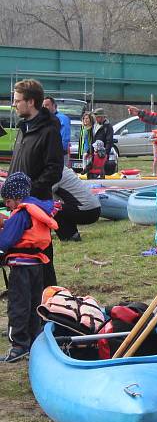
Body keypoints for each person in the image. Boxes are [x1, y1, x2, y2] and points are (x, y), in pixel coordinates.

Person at [9, 79, 63, 288]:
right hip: (18, 206)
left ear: (31, 102)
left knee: (42, 257)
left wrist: (27, 192)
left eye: (17, 101)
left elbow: (54, 170)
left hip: (36, 205)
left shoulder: (49, 131)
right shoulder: (24, 129)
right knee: (20, 254)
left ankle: (49, 302)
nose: (14, 104)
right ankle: (23, 295)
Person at [0, 172, 58, 363]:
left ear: (17, 198)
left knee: (18, 305)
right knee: (34, 304)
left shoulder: (21, 213)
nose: (7, 205)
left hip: (20, 267)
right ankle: (34, 340)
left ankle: (18, 345)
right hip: (36, 265)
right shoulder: (37, 208)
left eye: (8, 201)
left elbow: (7, 240)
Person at [52, 166, 101, 242]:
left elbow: (41, 194)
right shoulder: (62, 168)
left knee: (52, 208)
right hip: (94, 208)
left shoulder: (54, 172)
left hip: (87, 211)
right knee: (57, 206)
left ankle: (68, 237)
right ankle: (73, 235)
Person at [43, 97, 71, 166]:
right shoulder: (43, 119)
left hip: (59, 154)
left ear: (54, 106)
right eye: (43, 106)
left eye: (47, 105)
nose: (44, 107)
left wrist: (59, 151)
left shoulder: (63, 118)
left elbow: (65, 137)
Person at [92, 108, 116, 175]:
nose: (96, 119)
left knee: (102, 170)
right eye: (95, 117)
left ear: (103, 117)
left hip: (102, 152)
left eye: (98, 117)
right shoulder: (95, 125)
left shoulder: (108, 127)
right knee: (93, 170)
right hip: (94, 151)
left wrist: (105, 153)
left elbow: (109, 141)